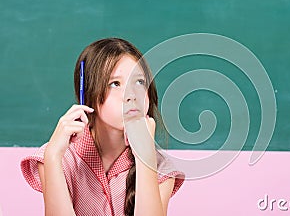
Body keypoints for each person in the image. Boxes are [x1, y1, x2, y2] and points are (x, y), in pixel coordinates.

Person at [21, 38, 185, 216]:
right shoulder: (58, 159)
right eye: (115, 84)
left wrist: (145, 158)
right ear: (88, 95)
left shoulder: (161, 168)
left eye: (139, 82)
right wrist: (52, 156)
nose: (132, 95)